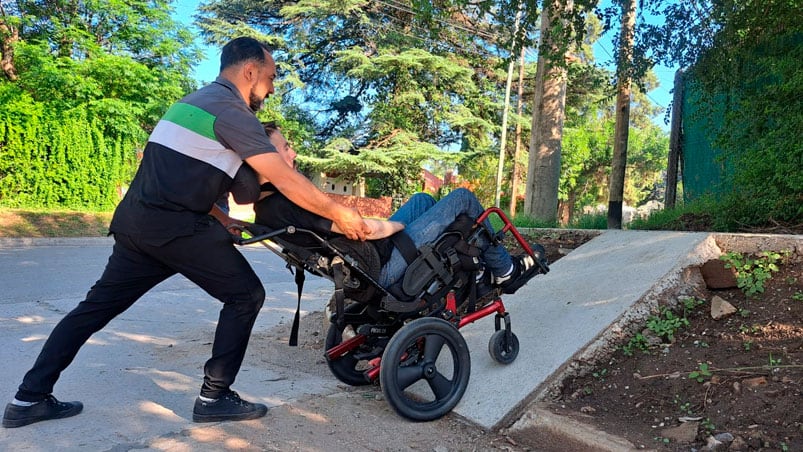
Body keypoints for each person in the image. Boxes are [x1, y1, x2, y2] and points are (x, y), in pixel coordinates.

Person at [2, 36, 372, 429]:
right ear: (250, 72)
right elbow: (285, 179)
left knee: (93, 310)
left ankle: (28, 399)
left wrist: (221, 215)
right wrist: (341, 215)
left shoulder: (189, 104)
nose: (272, 86)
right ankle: (214, 397)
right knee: (246, 294)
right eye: (270, 76)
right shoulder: (234, 112)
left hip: (136, 223)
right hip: (175, 228)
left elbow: (179, 175)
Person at [250, 123, 546, 296]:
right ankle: (506, 271)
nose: (293, 153)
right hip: (381, 265)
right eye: (285, 147)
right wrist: (397, 227)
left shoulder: (264, 207)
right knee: (462, 199)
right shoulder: (293, 200)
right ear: (265, 155)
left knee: (421, 201)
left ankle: (478, 266)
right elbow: (362, 228)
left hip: (363, 261)